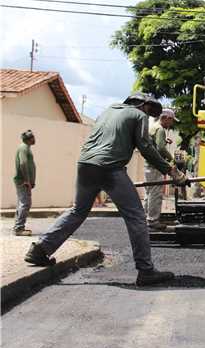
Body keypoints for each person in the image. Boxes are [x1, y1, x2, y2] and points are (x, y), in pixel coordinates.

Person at [24, 93, 186, 286]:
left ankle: (39, 250)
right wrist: (172, 171)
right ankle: (146, 270)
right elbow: (146, 147)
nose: (149, 114)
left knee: (78, 211)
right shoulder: (138, 115)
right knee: (136, 216)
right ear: (142, 105)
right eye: (149, 110)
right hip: (110, 168)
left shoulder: (108, 111)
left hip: (85, 164)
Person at [144, 108, 178, 230]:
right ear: (166, 118)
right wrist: (171, 158)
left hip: (148, 165)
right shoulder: (160, 129)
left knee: (149, 193)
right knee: (156, 194)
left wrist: (164, 140)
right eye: (171, 120)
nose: (172, 123)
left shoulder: (152, 127)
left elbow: (155, 144)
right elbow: (161, 149)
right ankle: (153, 221)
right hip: (155, 166)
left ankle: (146, 218)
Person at [13, 130, 36, 236]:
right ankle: (19, 228)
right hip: (23, 181)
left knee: (21, 203)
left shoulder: (25, 148)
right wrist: (27, 180)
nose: (35, 139)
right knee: (25, 203)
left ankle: (17, 227)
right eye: (33, 137)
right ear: (30, 138)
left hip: (24, 181)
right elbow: (23, 163)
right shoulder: (23, 148)